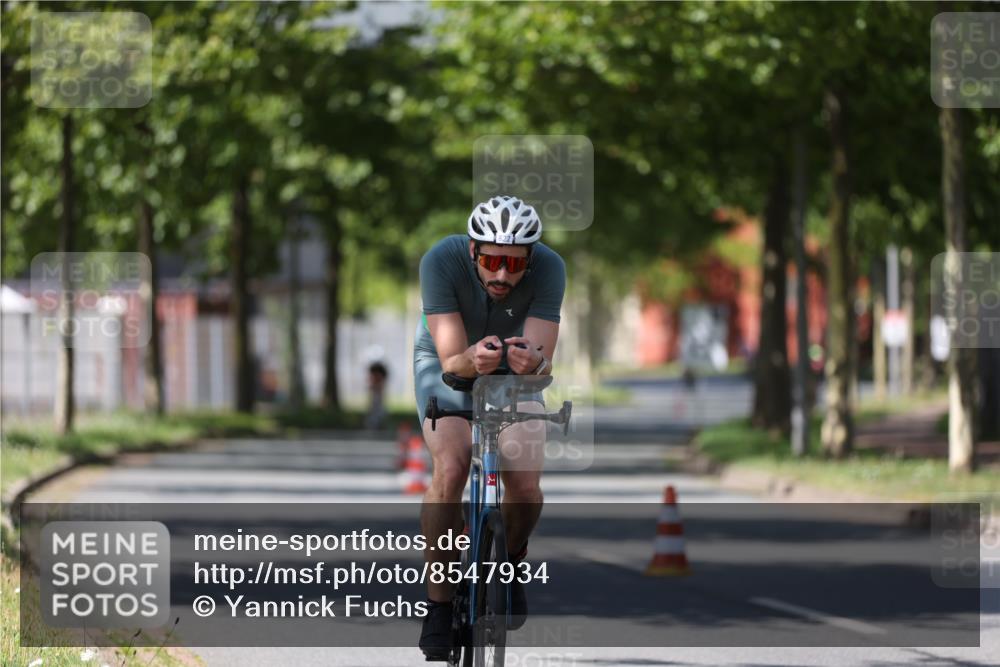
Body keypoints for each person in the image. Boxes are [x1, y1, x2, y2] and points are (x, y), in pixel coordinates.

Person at [414, 195, 566, 660]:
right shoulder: (440, 259)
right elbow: (452, 362)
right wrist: (473, 361)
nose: (502, 275)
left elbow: (541, 368)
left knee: (525, 481)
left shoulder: (550, 269)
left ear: (531, 260)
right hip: (451, 367)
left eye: (515, 264)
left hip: (510, 375)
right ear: (474, 251)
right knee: (453, 466)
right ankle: (439, 606)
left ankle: (509, 561)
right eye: (493, 260)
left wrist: (533, 364)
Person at [365, 360, 388, 430]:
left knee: (376, 418)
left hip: (378, 407)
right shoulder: (376, 382)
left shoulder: (379, 383)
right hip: (374, 406)